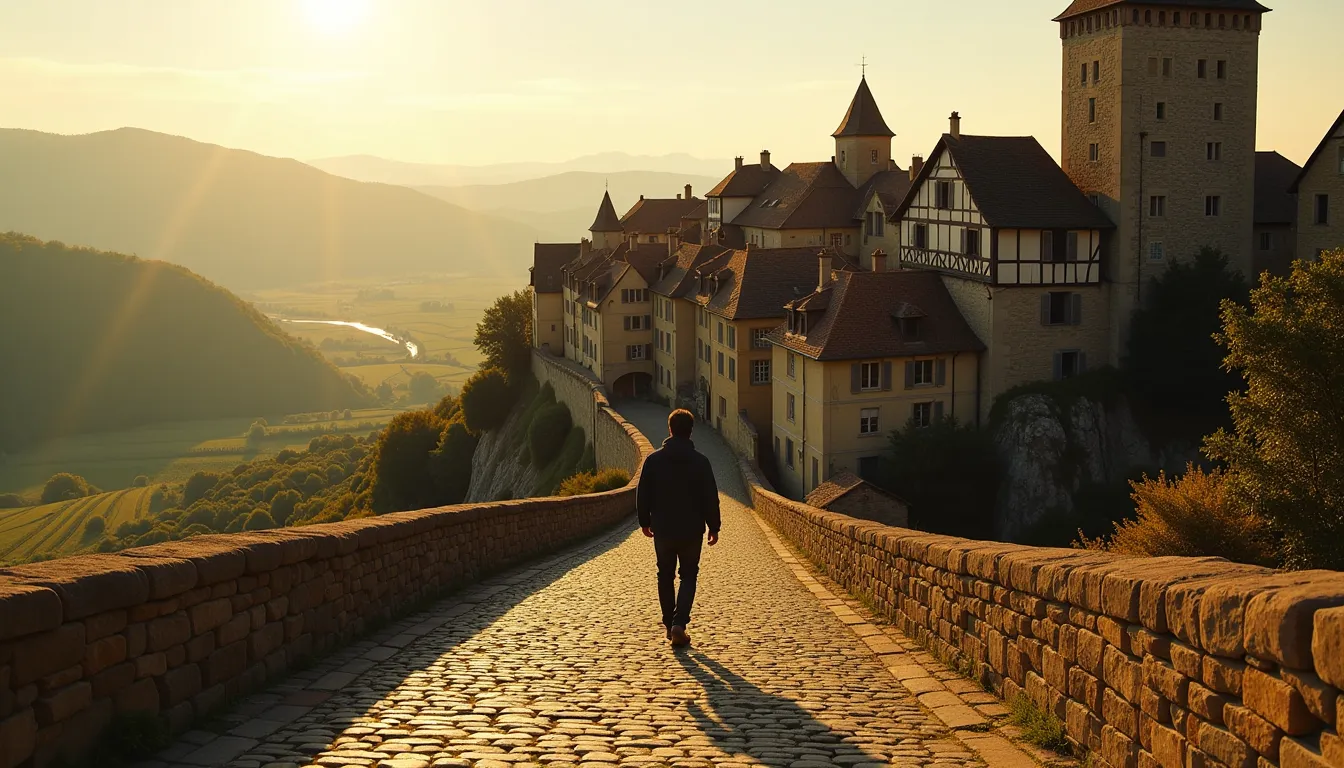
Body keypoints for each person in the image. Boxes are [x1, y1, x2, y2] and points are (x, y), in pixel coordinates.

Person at [636, 408, 720, 647]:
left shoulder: (653, 460)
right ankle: (679, 624)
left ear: (670, 430)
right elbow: (710, 497)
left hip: (662, 528)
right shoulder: (701, 462)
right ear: (691, 431)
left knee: (665, 575)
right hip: (692, 529)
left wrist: (644, 521)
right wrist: (714, 526)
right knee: (688, 575)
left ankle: (668, 624)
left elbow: (643, 494)